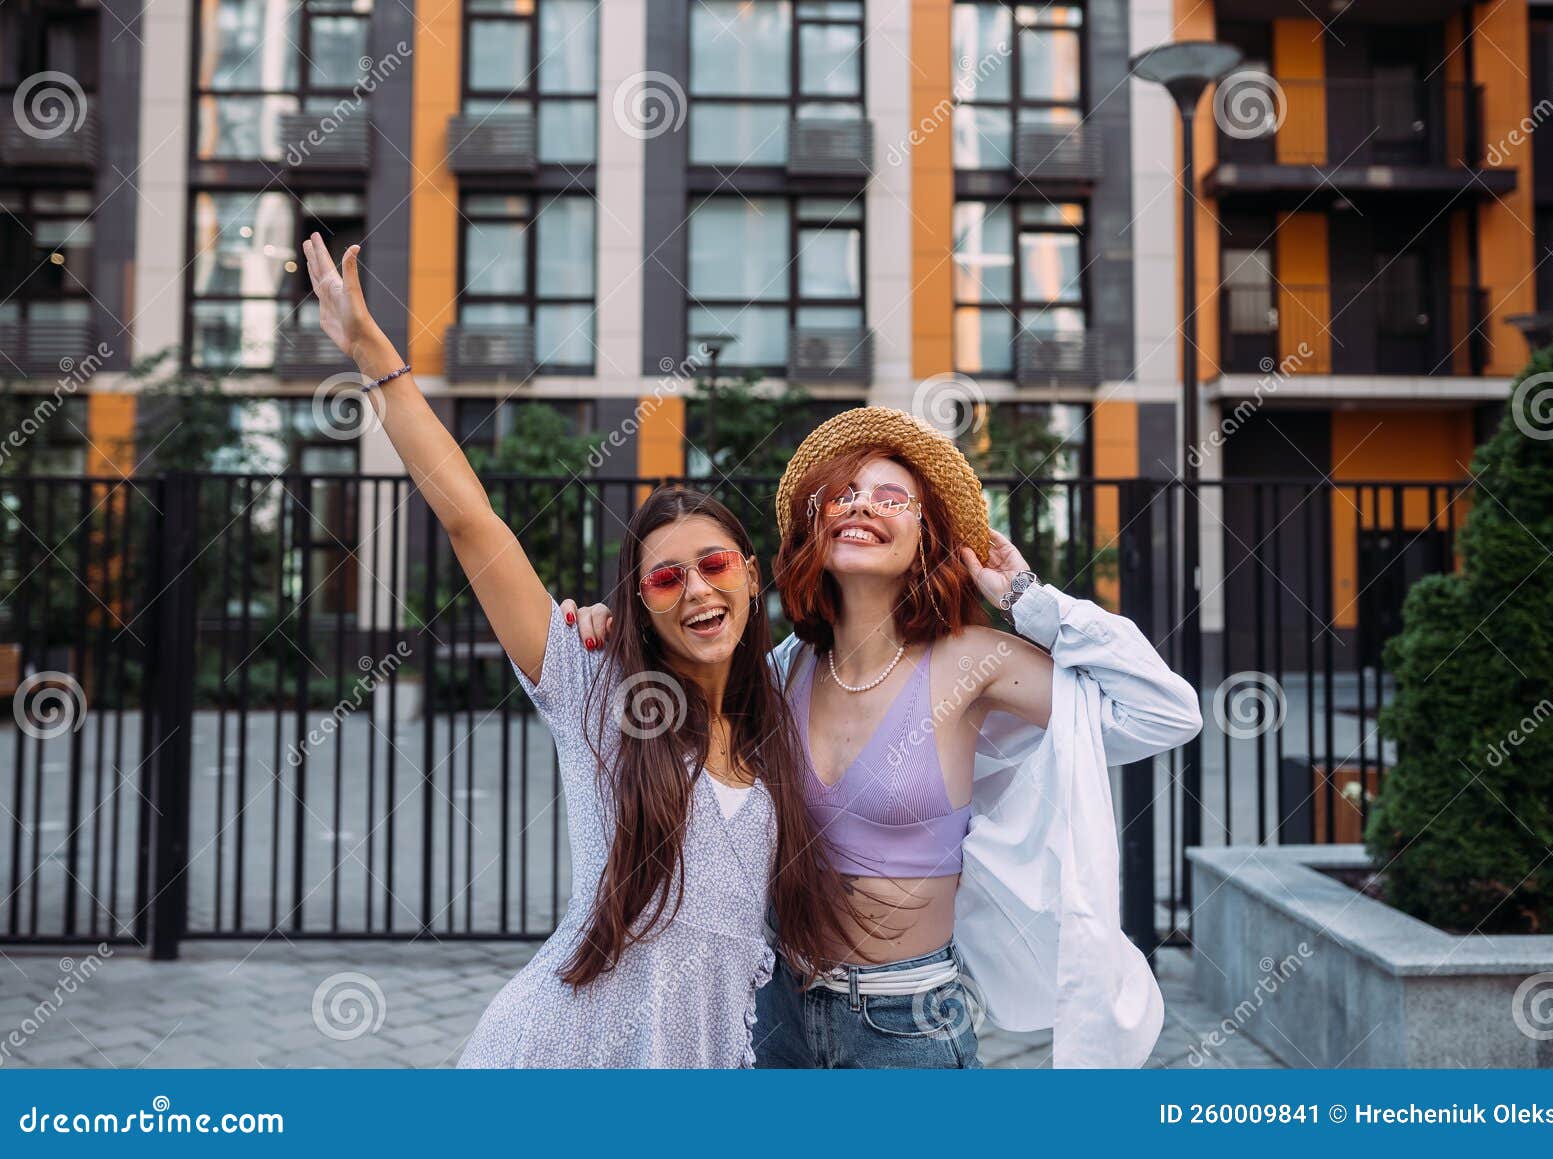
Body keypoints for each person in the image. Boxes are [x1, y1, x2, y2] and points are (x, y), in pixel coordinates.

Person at [299, 234, 855, 1067]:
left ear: (750, 574)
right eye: (666, 579)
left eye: (712, 566)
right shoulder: (592, 683)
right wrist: (380, 362)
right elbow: (471, 521)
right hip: (560, 1053)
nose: (697, 590)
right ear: (638, 602)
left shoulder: (780, 713)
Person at [573, 407, 1203, 1068]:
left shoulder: (974, 661)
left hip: (906, 1023)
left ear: (926, 534)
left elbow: (1163, 710)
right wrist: (606, 629)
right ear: (815, 528)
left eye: (891, 496)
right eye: (842, 493)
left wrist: (1025, 596)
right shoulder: (784, 669)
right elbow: (675, 685)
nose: (862, 506)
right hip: (777, 1007)